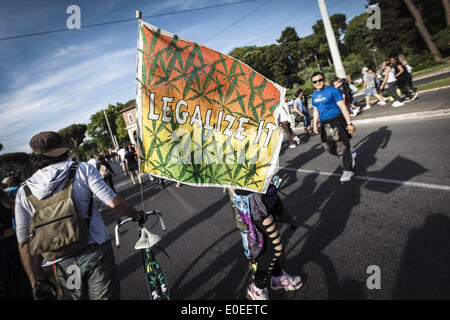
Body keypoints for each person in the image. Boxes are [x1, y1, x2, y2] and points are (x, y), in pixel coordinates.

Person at [15, 131, 145, 300]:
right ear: (63, 150)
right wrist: (136, 215)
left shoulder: (23, 191)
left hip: (60, 261)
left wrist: (36, 280)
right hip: (95, 250)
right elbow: (114, 203)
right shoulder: (82, 169)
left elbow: (24, 242)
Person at [228, 186, 302, 300]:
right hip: (252, 198)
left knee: (269, 244)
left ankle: (277, 278)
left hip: (262, 192)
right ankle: (257, 289)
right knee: (274, 248)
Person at [311, 72, 357, 182]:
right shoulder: (314, 95)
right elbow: (316, 110)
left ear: (323, 79)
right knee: (328, 147)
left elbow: (342, 106)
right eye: (315, 81)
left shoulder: (333, 90)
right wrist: (314, 125)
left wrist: (349, 123)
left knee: (341, 146)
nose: (318, 83)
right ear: (312, 83)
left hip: (336, 120)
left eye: (320, 80)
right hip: (324, 123)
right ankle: (348, 156)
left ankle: (347, 170)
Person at [1, 188, 33, 300]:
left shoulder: (5, 198)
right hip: (11, 242)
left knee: (17, 278)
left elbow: (19, 216)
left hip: (10, 244)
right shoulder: (5, 198)